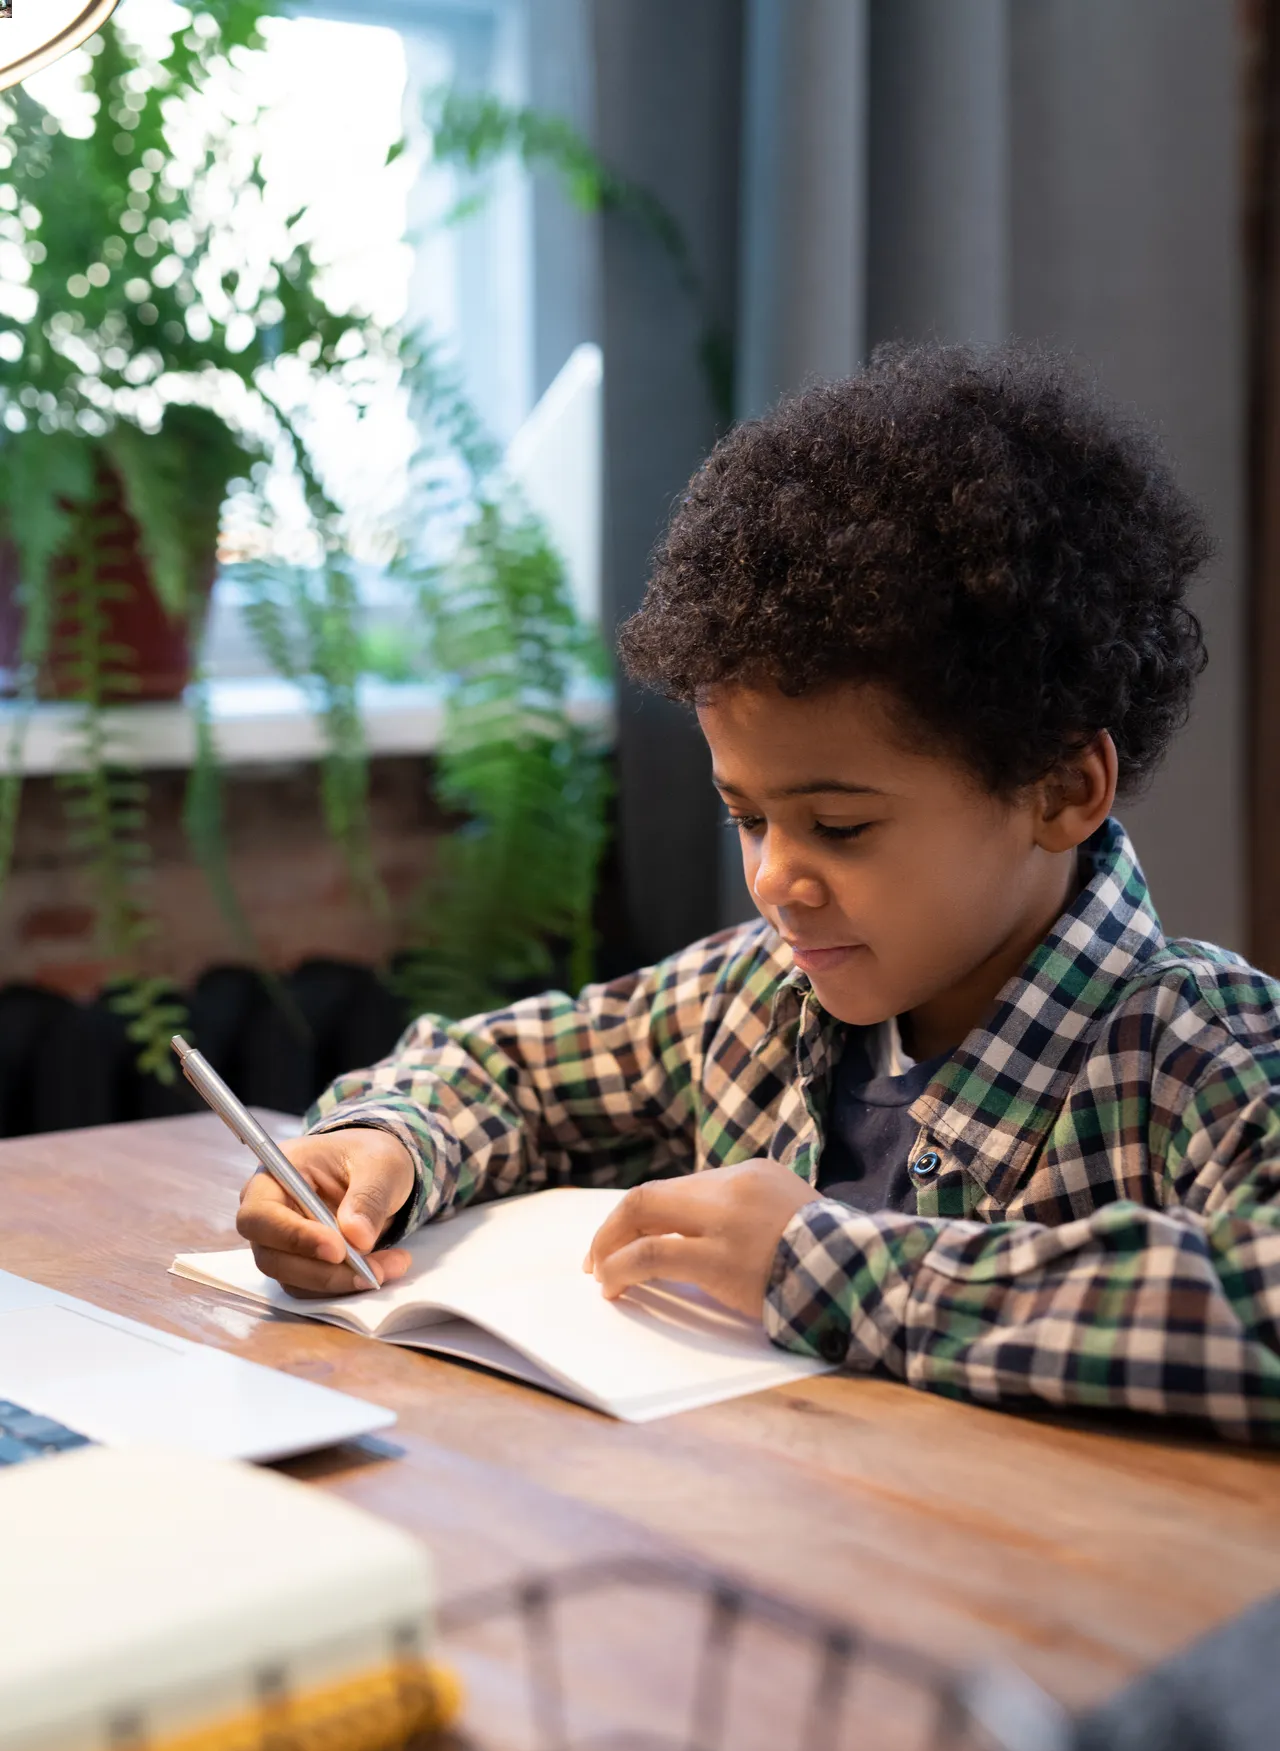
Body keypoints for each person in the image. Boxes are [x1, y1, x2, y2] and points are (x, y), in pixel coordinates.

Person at [237, 342, 1280, 1443]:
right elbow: (508, 1072)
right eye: (746, 817)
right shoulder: (750, 999)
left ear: (1059, 788)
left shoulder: (1194, 1052)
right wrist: (382, 1148)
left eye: (838, 825)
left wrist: (824, 1267)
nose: (775, 877)